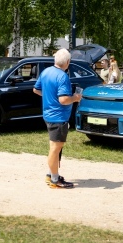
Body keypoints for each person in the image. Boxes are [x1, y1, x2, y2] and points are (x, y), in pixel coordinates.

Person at [33, 48, 82, 189]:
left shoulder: (46, 72)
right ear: (67, 62)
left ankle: (51, 174)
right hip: (58, 117)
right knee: (55, 148)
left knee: (54, 147)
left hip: (48, 114)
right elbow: (64, 99)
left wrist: (49, 96)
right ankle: (54, 179)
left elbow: (36, 90)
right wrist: (76, 97)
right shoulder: (62, 77)